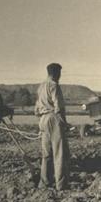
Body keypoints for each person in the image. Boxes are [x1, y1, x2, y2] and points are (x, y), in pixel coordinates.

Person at [34, 63, 70, 191]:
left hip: (43, 119)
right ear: (56, 73)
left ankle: (44, 183)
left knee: (46, 154)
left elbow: (36, 109)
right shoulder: (54, 85)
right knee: (59, 153)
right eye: (59, 73)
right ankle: (61, 185)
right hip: (54, 118)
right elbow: (59, 107)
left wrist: (41, 125)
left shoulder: (41, 87)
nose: (60, 76)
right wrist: (64, 122)